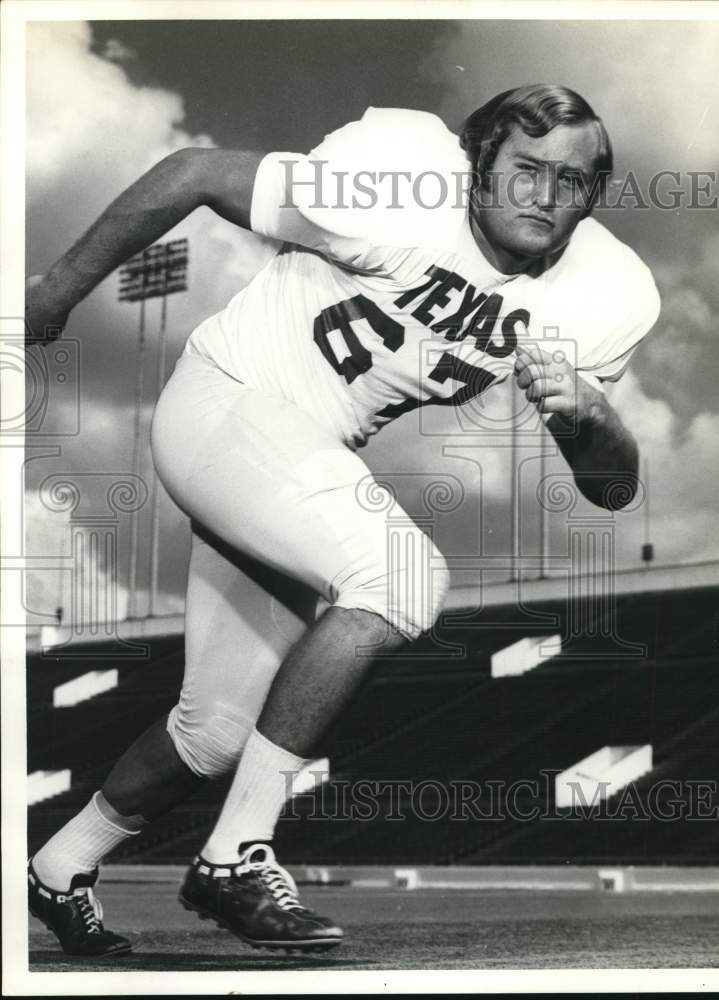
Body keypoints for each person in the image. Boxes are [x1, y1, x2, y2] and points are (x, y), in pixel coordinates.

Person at [25, 85, 660, 957]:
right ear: (476, 165)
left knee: (210, 735)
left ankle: (59, 866)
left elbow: (612, 491)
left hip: (294, 457)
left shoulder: (599, 292)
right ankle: (235, 857)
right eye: (527, 170)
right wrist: (51, 298)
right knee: (400, 575)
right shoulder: (400, 183)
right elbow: (194, 173)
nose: (547, 197)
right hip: (226, 403)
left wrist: (597, 416)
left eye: (575, 181)